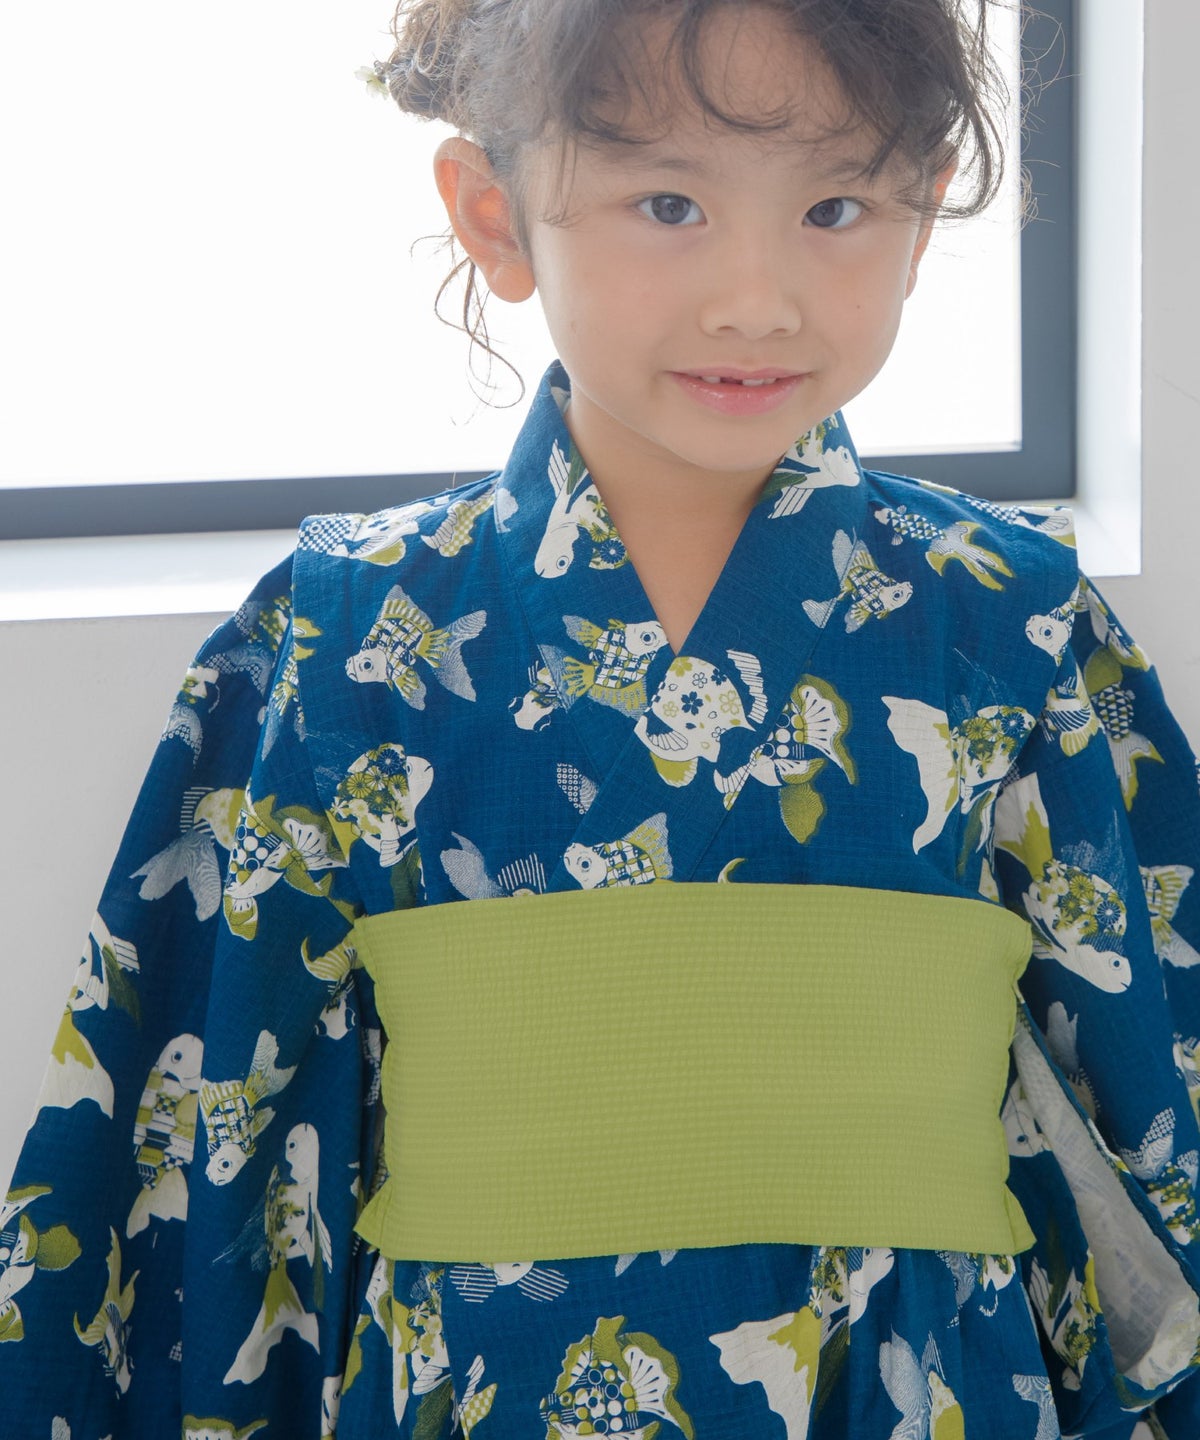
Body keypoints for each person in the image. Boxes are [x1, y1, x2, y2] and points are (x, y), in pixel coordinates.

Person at [4, 0, 1200, 1436]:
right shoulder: (342, 637)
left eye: (834, 208)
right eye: (670, 205)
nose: (756, 299)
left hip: (914, 1384)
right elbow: (204, 1128)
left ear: (924, 214)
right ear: (493, 215)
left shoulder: (1014, 621)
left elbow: (1160, 1083)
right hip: (479, 1386)